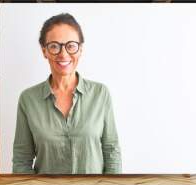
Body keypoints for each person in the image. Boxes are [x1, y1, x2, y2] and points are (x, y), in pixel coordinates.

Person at [12, 13, 122, 174]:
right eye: (55, 46)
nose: (63, 54)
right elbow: (22, 159)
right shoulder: (28, 99)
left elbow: (112, 151)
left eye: (71, 45)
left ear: (80, 50)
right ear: (44, 51)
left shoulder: (100, 94)